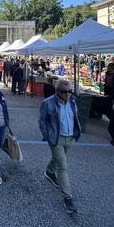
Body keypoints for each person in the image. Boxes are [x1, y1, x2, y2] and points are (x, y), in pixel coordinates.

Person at [39, 79, 81, 214]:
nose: (68, 94)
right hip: (56, 139)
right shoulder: (48, 103)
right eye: (64, 92)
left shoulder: (72, 102)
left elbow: (75, 118)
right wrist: (47, 136)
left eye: (70, 91)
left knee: (58, 160)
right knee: (63, 166)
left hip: (70, 138)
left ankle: (50, 172)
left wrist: (75, 133)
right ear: (57, 91)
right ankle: (68, 197)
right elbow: (42, 121)